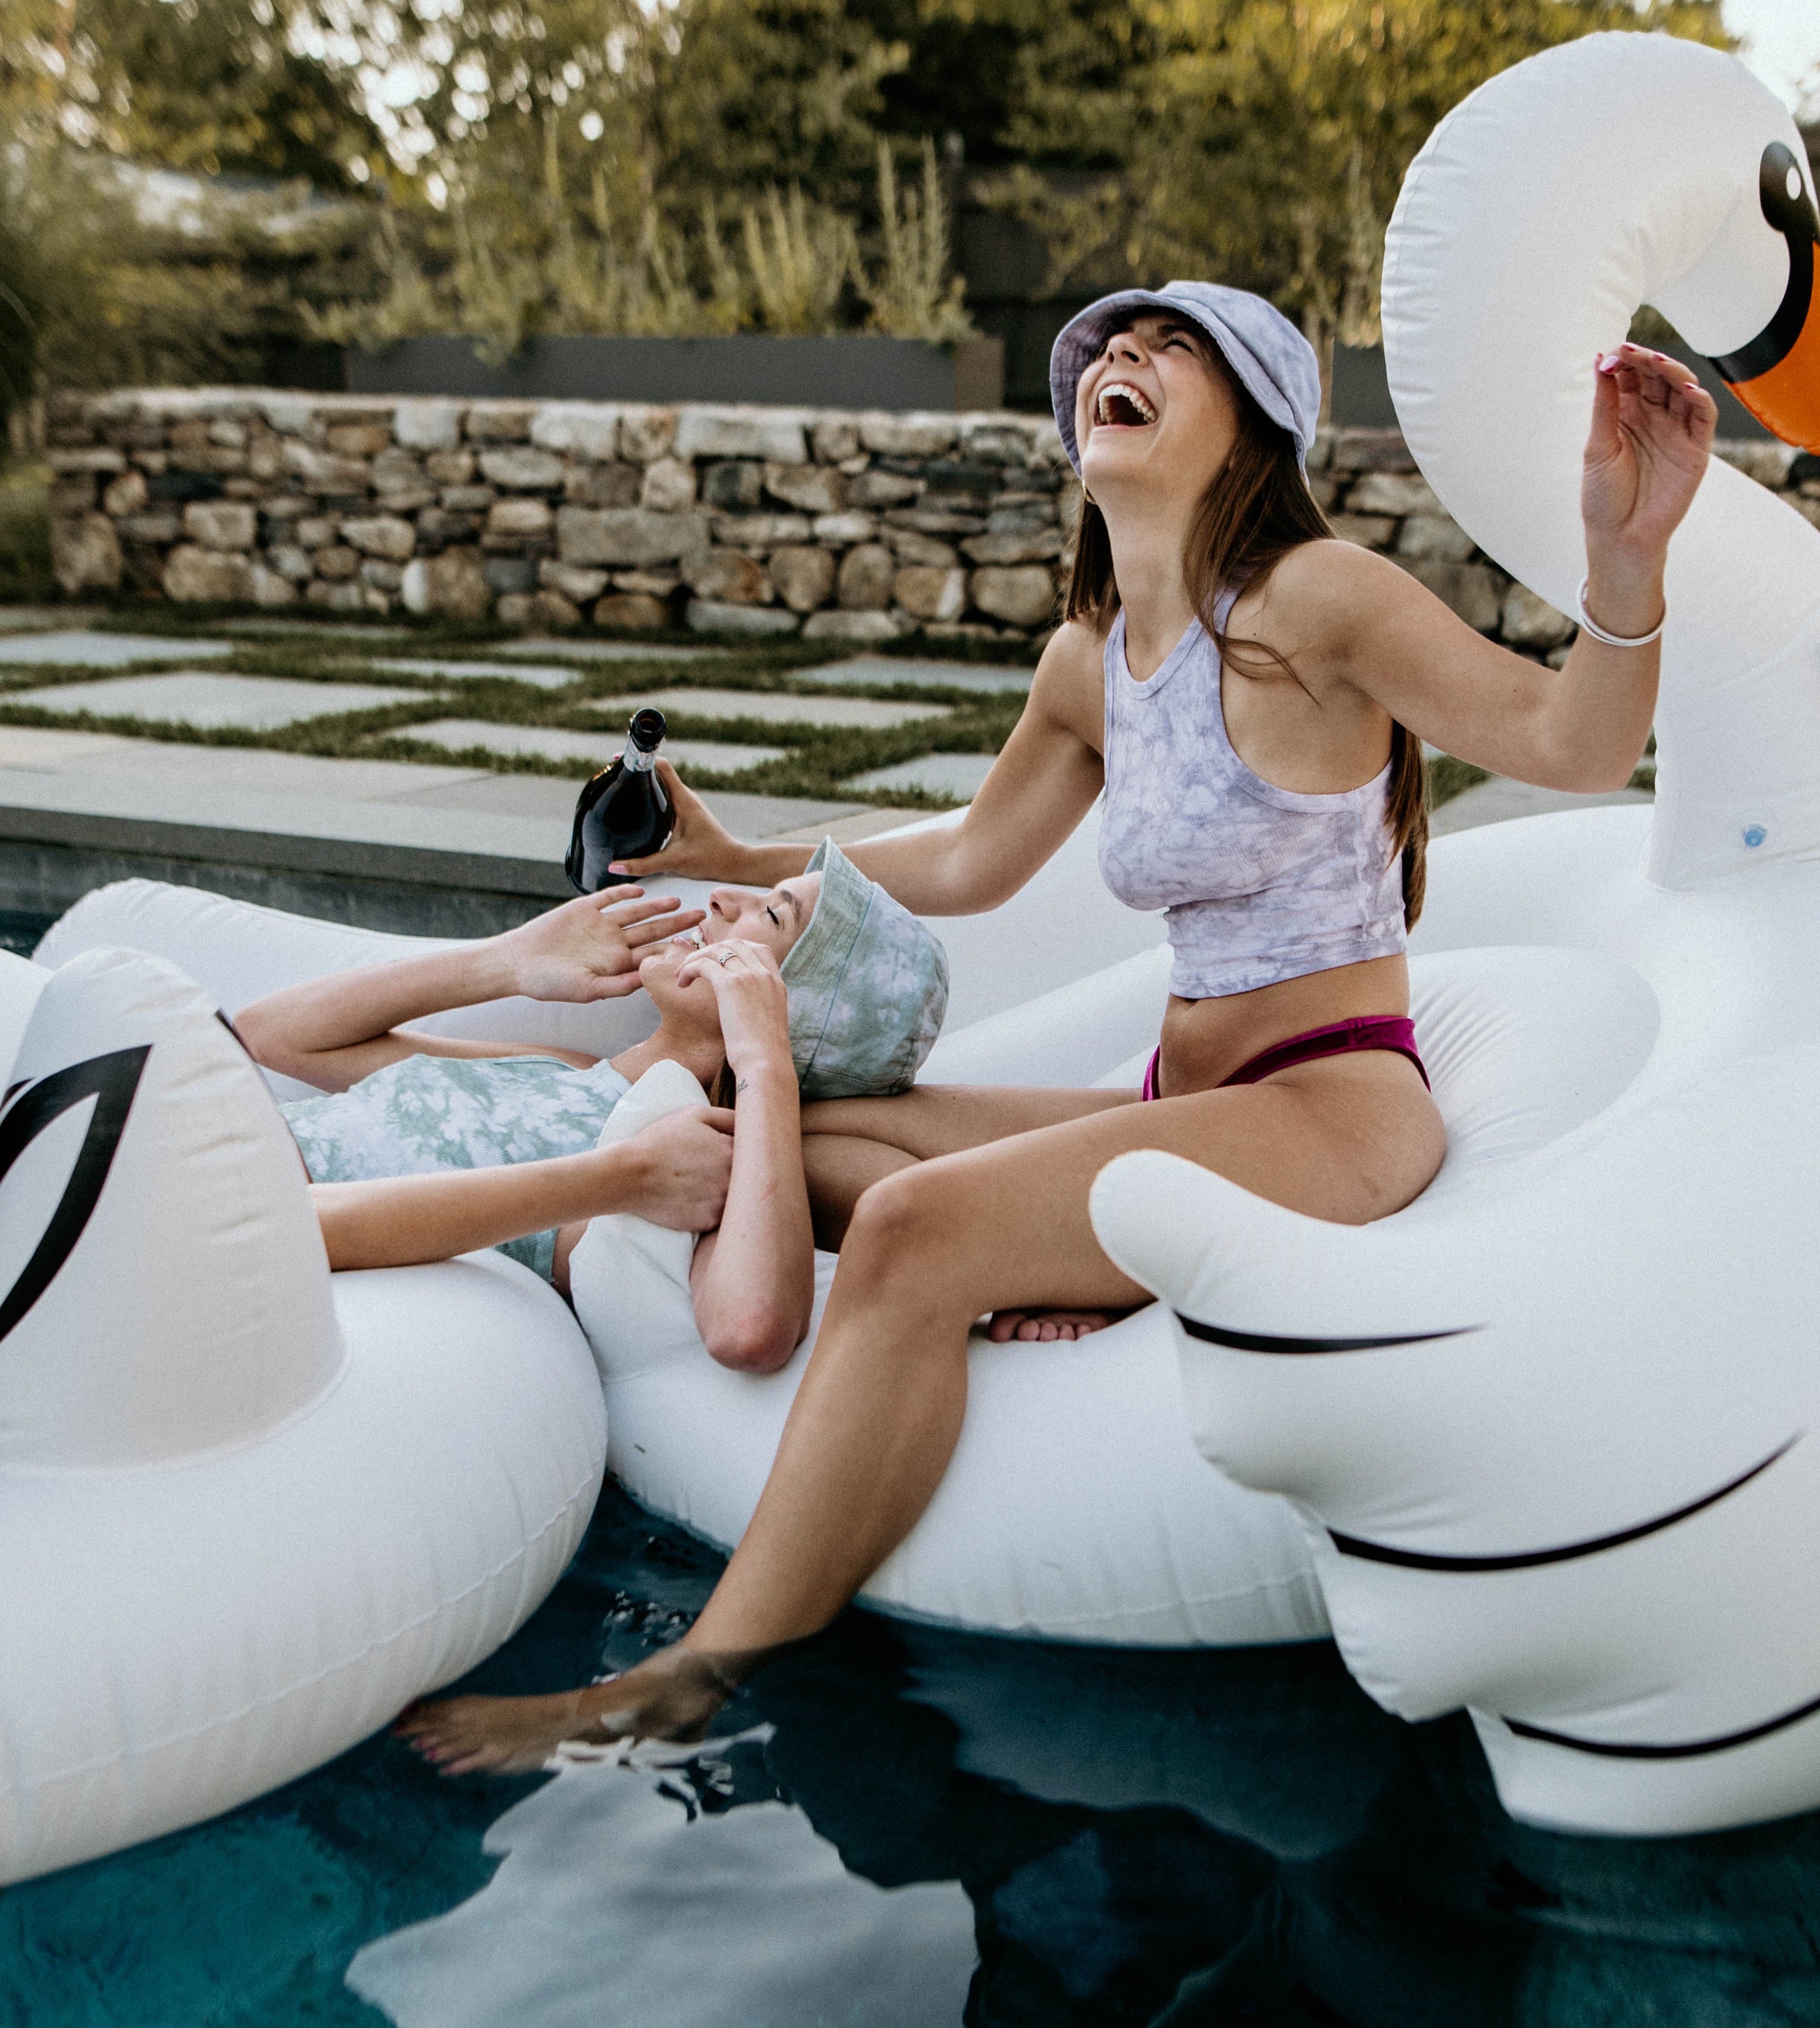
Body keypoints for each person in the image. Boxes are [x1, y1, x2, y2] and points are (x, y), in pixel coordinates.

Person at [397, 280, 1715, 1770]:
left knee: (906, 1229)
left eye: (1167, 347)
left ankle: (694, 1677)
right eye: (1103, 351)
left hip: (1328, 1104)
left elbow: (1576, 741)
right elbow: (967, 861)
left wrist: (1624, 556)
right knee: (803, 1141)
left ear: (1253, 421)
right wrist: (727, 857)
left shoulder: (1314, 603)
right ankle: (1087, 1273)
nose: (1117, 360)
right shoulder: (1090, 664)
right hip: (1175, 1102)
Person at [236, 838, 948, 1375]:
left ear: (789, 1006)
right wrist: (508, 961)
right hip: (209, 1149)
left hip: (231, 1227)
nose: (724, 900)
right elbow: (270, 1038)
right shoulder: (565, 1072)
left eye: (770, 913)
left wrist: (761, 1061)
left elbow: (750, 1330)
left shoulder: (679, 1153)